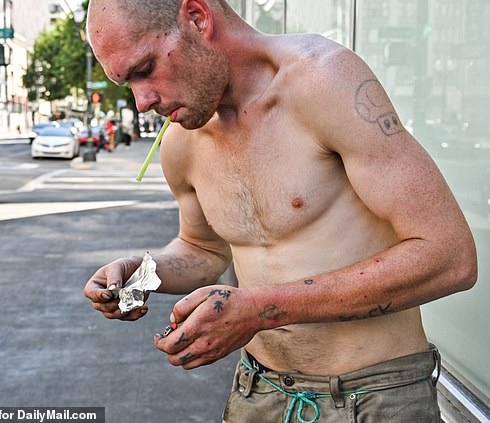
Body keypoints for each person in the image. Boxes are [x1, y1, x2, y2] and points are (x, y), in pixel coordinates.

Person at [83, 1, 478, 421]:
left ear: (197, 18)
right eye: (127, 83)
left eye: (144, 69)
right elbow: (203, 249)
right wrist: (140, 272)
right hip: (259, 392)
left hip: (375, 395)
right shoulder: (183, 142)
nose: (141, 102)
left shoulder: (322, 81)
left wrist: (257, 310)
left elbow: (450, 257)